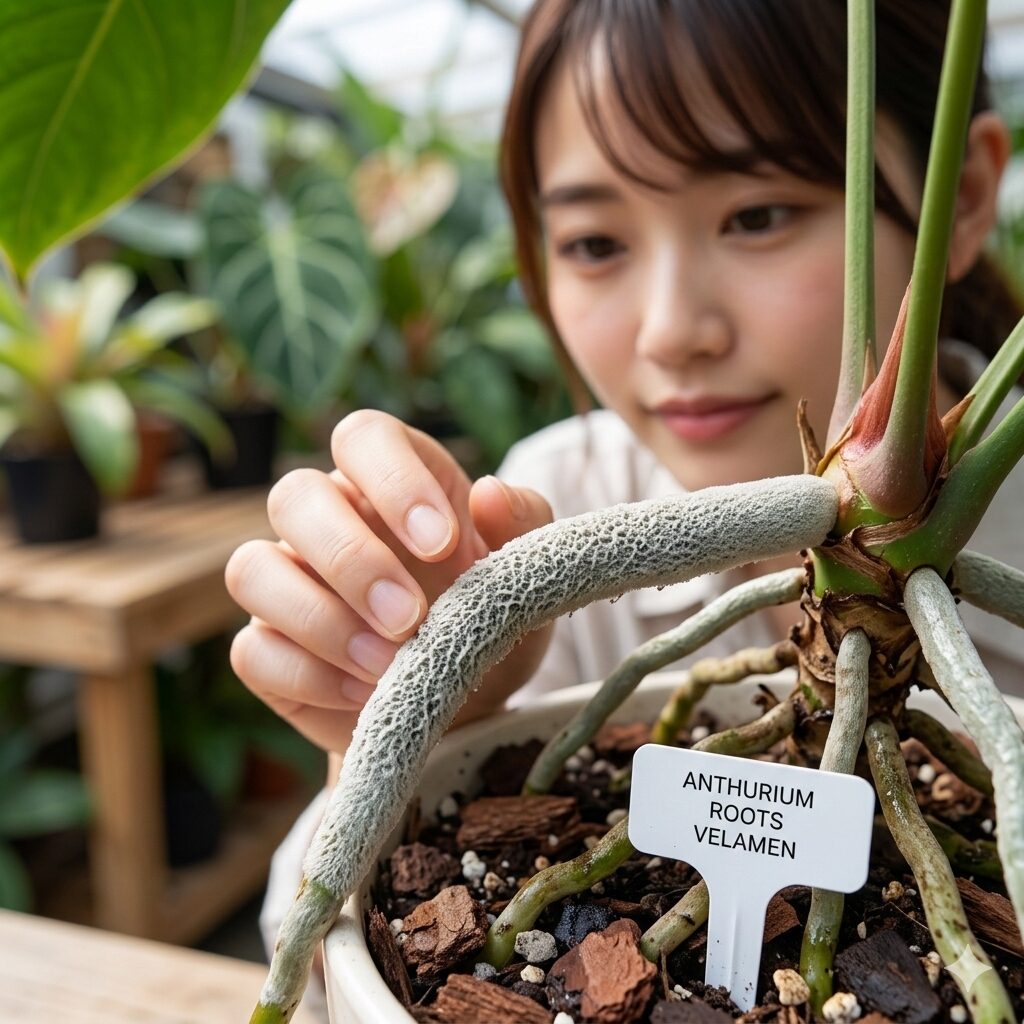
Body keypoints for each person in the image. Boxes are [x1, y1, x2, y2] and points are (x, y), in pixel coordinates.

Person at [225, 0, 1023, 1014]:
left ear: (960, 198)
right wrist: (421, 720)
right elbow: (317, 955)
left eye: (758, 214)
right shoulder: (554, 501)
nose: (670, 331)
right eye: (596, 241)